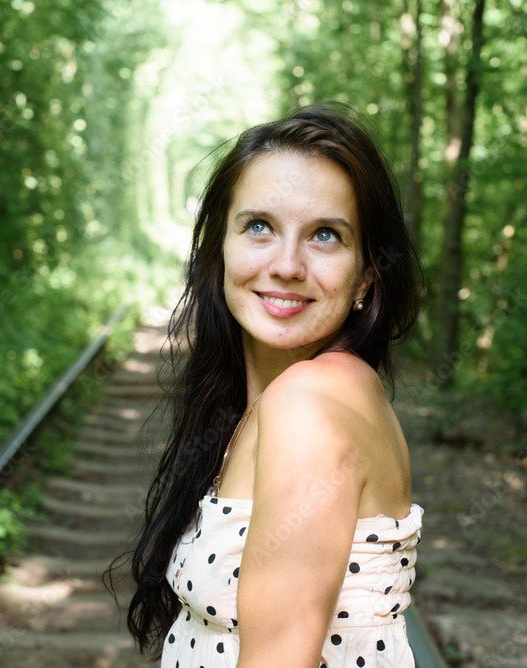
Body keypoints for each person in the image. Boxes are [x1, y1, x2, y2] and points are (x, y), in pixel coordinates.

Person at [118, 101, 423, 667]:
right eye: (260, 226)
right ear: (221, 248)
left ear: (366, 276)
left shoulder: (308, 405)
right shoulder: (304, 395)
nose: (286, 264)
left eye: (325, 235)